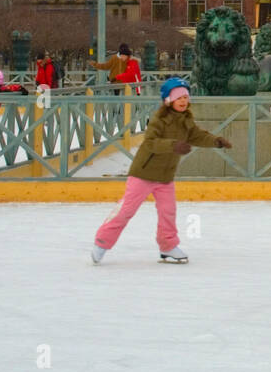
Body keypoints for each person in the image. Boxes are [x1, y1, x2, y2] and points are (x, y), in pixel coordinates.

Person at [91, 78, 231, 265]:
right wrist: (174, 145)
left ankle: (167, 246)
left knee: (168, 212)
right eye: (178, 97)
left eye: (185, 97)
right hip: (144, 173)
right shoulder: (160, 119)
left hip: (165, 176)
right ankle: (102, 243)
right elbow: (150, 143)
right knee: (126, 210)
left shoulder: (186, 120)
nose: (183, 101)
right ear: (168, 100)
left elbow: (197, 135)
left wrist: (216, 141)